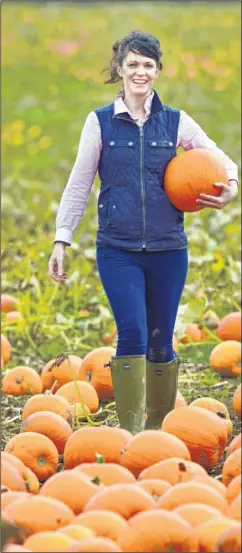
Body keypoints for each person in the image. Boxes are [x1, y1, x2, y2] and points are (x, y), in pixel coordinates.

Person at [48, 31, 238, 434]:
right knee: (132, 333)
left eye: (148, 65)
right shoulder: (99, 123)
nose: (140, 71)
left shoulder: (175, 121)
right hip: (118, 250)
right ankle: (133, 436)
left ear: (158, 71)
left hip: (169, 249)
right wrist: (62, 238)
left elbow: (221, 159)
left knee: (161, 342)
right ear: (119, 68)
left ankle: (160, 436)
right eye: (132, 63)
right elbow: (79, 185)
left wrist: (231, 188)